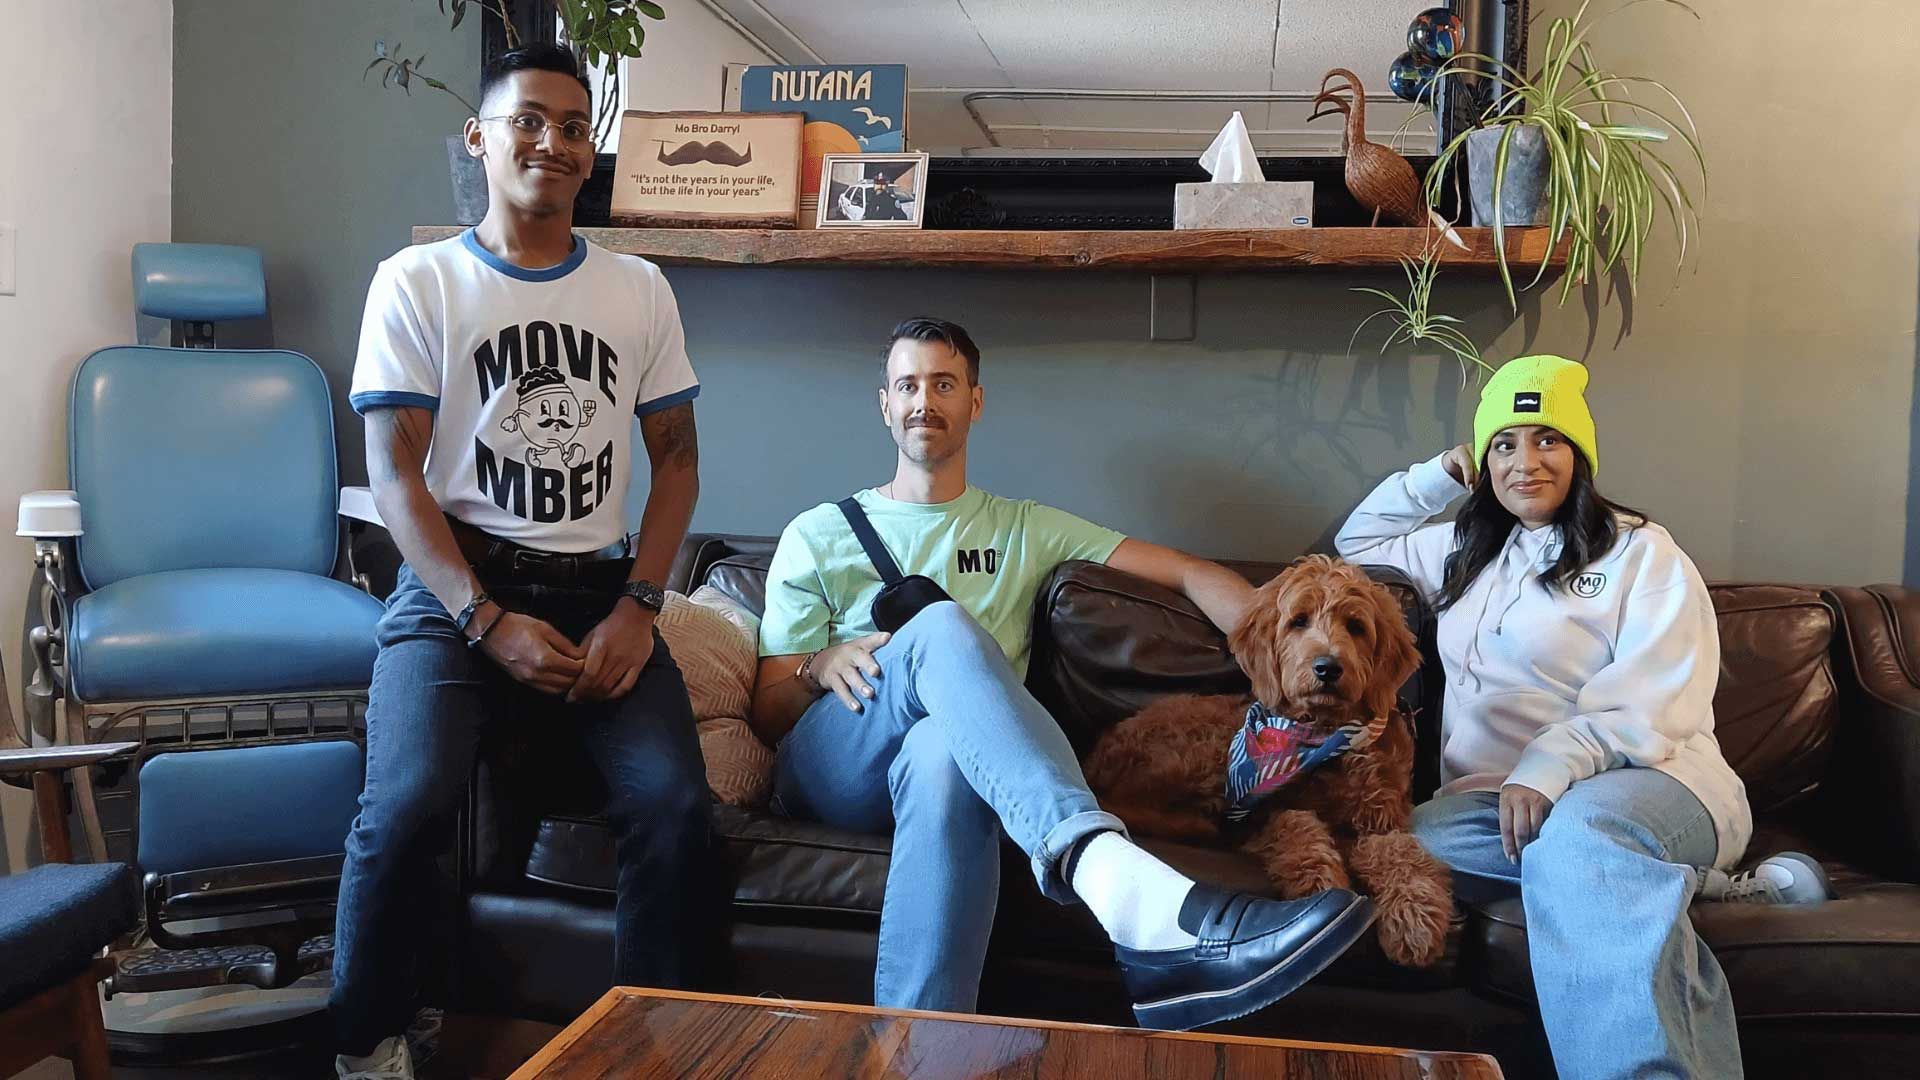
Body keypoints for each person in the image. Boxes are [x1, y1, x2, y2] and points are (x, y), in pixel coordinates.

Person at [749, 316, 1378, 1032]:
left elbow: (1189, 571)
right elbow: (770, 716)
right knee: (940, 626)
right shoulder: (818, 532)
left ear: (975, 403)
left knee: (944, 754)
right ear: (885, 404)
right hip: (836, 763)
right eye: (908, 385)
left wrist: (1277, 651)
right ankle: (1117, 883)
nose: (925, 400)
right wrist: (815, 664)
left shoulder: (1022, 527)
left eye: (944, 384)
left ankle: (919, 1051)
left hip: (951, 768)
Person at [333, 44, 714, 1080]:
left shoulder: (637, 289)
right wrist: (483, 619)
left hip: (602, 595)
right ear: (480, 139)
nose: (553, 141)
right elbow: (395, 471)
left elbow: (677, 462)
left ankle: (652, 1047)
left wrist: (642, 604)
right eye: (530, 121)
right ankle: (368, 1041)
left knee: (677, 809)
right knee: (404, 801)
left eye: (574, 127)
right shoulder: (419, 281)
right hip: (458, 591)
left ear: (592, 154)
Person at [1335, 355, 1832, 1079]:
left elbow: (1657, 702)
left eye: (1548, 440)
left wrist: (1550, 764)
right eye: (1505, 443)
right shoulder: (1462, 552)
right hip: (1496, 806)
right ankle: (1706, 885)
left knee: (1579, 839)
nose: (1526, 462)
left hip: (1658, 779)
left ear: (1580, 455)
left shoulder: (1642, 554)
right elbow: (1359, 544)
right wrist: (1444, 471)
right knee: (1411, 849)